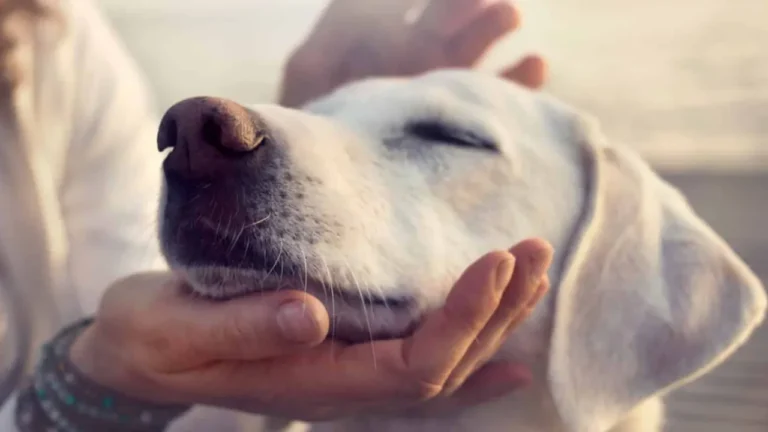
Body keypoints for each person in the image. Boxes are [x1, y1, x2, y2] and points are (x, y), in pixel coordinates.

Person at [0, 0, 551, 431]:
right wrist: (91, 382)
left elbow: (136, 306)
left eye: (446, 135)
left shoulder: (53, 38)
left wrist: (319, 148)